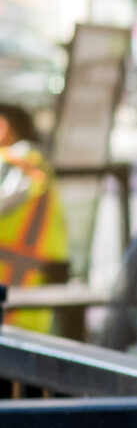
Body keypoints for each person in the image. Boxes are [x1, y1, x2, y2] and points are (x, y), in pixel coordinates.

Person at [0, 100, 69, 333]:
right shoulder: (37, 165)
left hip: (12, 302)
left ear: (4, 126)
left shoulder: (14, 162)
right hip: (31, 300)